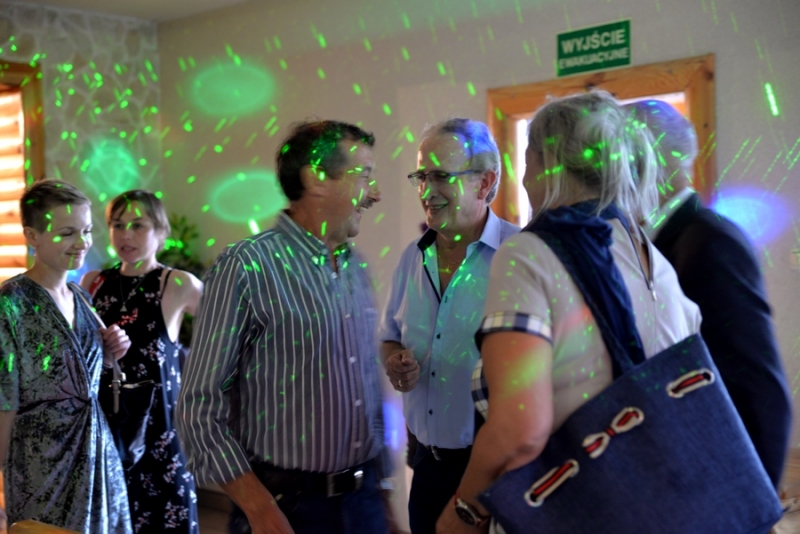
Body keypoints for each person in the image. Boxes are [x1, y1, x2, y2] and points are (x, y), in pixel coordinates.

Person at [435, 92, 702, 533]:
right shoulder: (654, 262)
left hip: (567, 508)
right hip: (655, 507)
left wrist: (464, 512)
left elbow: (520, 430)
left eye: (525, 160)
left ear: (545, 163)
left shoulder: (529, 255)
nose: (523, 178)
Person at [176, 120, 398, 534]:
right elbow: (199, 406)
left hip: (363, 502)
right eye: (363, 175)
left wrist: (382, 495)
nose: (375, 193)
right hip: (287, 510)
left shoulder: (355, 266)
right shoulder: (246, 267)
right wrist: (259, 510)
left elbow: (367, 387)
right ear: (316, 179)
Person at [624, 99, 792, 488]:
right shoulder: (666, 238)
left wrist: (753, 499)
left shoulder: (710, 242)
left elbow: (758, 388)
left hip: (721, 479)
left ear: (645, 162)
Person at [379, 118, 518, 534]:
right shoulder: (412, 257)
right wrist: (395, 362)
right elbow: (389, 336)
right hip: (426, 467)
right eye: (422, 176)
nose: (426, 190)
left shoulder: (520, 256)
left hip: (497, 477)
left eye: (441, 176)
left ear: (484, 182)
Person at [0, 179, 132, 533]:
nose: (82, 242)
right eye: (67, 233)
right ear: (32, 235)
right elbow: (4, 400)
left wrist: (110, 355)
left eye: (86, 230)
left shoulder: (82, 298)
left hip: (96, 451)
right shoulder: (10, 303)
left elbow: (81, 375)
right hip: (40, 462)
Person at [80, 190, 203, 533]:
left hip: (161, 435)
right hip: (109, 431)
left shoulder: (177, 283)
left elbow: (231, 331)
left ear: (161, 231)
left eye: (138, 225)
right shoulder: (94, 283)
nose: (126, 235)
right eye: (118, 225)